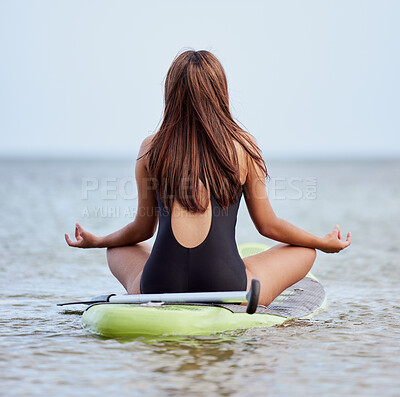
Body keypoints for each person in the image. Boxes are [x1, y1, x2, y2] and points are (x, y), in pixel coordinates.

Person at [65, 50, 351, 306]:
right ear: (220, 93)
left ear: (171, 94)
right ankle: (244, 279)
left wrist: (99, 240)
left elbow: (142, 231)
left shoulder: (151, 148)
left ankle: (141, 295)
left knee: (117, 246)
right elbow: (268, 225)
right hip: (225, 284)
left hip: (159, 283)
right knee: (305, 251)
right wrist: (321, 242)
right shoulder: (243, 146)